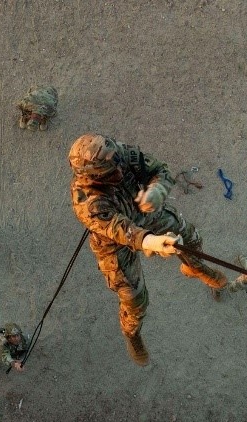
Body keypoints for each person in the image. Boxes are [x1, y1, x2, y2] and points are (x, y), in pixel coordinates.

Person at [68, 133, 227, 366]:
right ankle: (132, 333)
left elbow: (159, 169)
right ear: (94, 177)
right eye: (111, 173)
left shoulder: (117, 153)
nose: (120, 172)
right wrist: (151, 242)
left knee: (190, 239)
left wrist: (157, 190)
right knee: (134, 300)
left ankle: (194, 268)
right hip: (115, 243)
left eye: (118, 164)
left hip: (143, 211)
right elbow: (119, 229)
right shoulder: (87, 201)